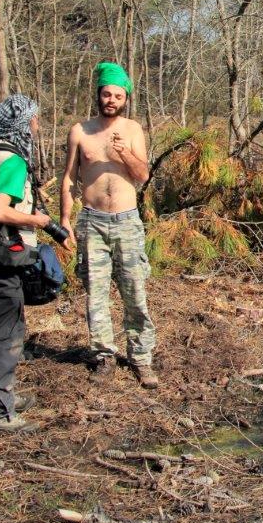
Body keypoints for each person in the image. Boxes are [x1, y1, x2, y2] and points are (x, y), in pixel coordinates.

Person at [60, 61, 158, 388]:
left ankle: (141, 358)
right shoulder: (80, 131)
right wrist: (64, 221)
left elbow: (142, 176)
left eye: (118, 95)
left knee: (134, 291)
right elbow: (68, 180)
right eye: (106, 94)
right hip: (92, 222)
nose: (111, 100)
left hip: (128, 221)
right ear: (98, 95)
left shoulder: (132, 130)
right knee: (96, 295)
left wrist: (123, 154)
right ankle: (103, 356)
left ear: (125, 99)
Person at [0, 94, 51, 433]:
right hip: (1, 255)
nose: (37, 124)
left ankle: (2, 396)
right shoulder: (12, 159)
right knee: (7, 331)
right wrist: (38, 221)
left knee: (9, 323)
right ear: (23, 123)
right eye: (33, 118)